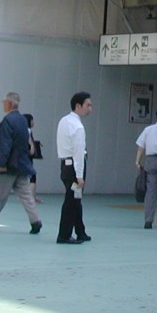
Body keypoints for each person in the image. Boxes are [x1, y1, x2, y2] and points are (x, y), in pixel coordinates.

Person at [0, 92, 41, 234]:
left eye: (4, 102)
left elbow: (4, 143)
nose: (3, 104)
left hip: (8, 166)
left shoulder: (8, 121)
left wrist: (1, 164)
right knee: (26, 195)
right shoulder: (23, 120)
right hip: (21, 165)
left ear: (9, 104)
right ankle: (35, 220)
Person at [56, 91, 93, 244]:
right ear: (78, 106)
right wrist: (79, 176)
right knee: (71, 201)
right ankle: (64, 235)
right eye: (88, 105)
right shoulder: (78, 127)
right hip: (74, 167)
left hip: (65, 165)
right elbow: (78, 153)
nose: (90, 109)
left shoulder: (64, 121)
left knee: (75, 199)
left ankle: (80, 231)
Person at [23, 113, 44, 204]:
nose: (33, 122)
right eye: (32, 120)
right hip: (27, 157)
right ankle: (32, 198)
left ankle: (30, 197)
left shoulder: (21, 130)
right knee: (32, 177)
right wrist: (32, 147)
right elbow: (29, 141)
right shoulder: (28, 130)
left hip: (23, 156)